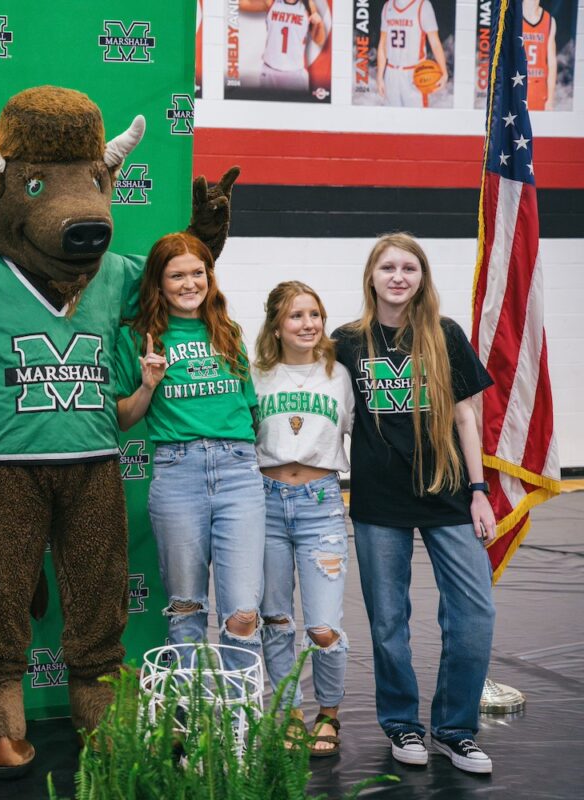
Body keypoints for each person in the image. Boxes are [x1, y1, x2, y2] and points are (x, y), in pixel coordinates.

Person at [333, 233, 497, 774]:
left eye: (409, 267)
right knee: (388, 621)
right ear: (371, 276)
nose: (398, 276)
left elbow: (467, 417)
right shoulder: (347, 341)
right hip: (379, 500)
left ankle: (455, 730)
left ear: (422, 277)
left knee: (474, 614)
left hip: (448, 493)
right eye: (388, 267)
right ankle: (402, 723)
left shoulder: (445, 335)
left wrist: (479, 492)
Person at [115, 231, 263, 669]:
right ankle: (189, 723)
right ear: (158, 283)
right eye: (176, 275)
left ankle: (241, 726)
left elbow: (249, 409)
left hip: (238, 472)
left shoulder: (226, 331)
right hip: (178, 473)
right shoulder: (140, 337)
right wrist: (148, 385)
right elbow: (124, 418)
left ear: (209, 277)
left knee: (242, 613)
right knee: (186, 608)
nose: (189, 283)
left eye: (197, 273)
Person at [252, 282, 354, 757]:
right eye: (296, 316)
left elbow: (361, 433)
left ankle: (328, 713)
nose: (308, 324)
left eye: (315, 314)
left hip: (321, 505)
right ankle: (290, 711)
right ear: (276, 323)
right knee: (275, 619)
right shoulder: (255, 375)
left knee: (322, 627)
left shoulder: (339, 375)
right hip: (266, 502)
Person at [240, 0, 329, 93]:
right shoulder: (271, 2)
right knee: (267, 106)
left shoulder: (308, 5)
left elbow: (319, 40)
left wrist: (320, 23)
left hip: (295, 73)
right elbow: (240, 4)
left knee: (295, 107)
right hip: (270, 70)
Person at [376, 0, 447, 107]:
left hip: (415, 73)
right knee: (392, 119)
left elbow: (435, 43)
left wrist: (444, 72)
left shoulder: (423, 6)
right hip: (391, 73)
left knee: (417, 120)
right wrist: (380, 75)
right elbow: (382, 43)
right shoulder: (387, 6)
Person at [522, 0, 558, 111]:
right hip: (518, 86)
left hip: (539, 90)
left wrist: (550, 99)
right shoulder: (513, 18)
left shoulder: (549, 21)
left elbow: (552, 63)